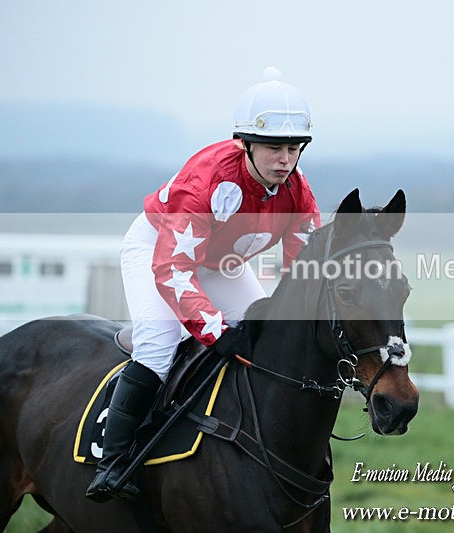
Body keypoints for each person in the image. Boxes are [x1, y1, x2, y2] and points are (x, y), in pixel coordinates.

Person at [86, 67, 321, 502]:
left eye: (293, 148)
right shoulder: (207, 181)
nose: (285, 160)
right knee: (159, 341)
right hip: (159, 250)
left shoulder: (298, 193)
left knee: (262, 335)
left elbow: (304, 273)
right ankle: (112, 462)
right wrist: (213, 328)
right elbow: (173, 268)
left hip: (220, 262)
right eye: (273, 148)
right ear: (243, 143)